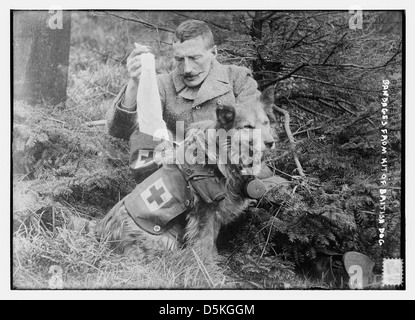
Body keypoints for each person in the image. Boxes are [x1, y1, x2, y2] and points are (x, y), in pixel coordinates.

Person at [107, 19, 267, 183]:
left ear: (213, 53)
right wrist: (134, 83)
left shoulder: (238, 79)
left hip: (238, 177)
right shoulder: (162, 85)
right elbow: (122, 131)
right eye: (179, 59)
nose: (187, 69)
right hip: (181, 183)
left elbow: (256, 134)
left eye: (195, 57)